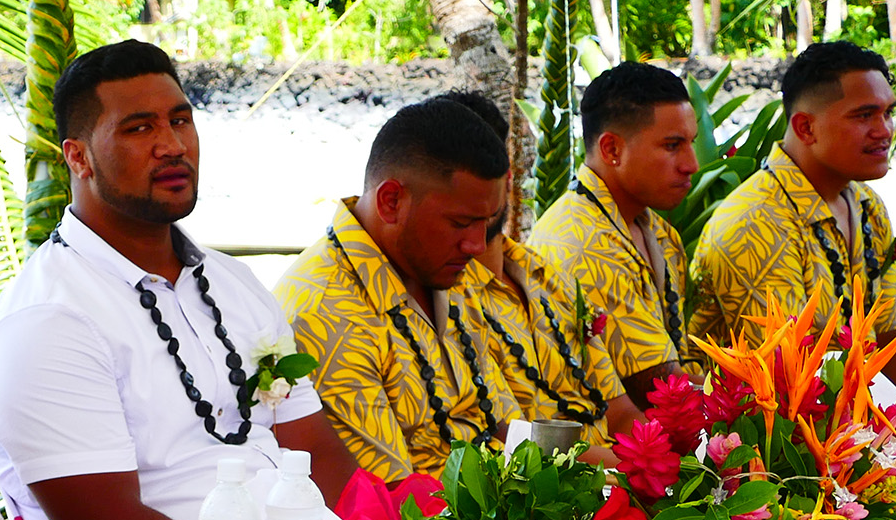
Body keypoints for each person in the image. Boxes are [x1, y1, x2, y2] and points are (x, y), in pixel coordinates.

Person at [0, 40, 354, 520]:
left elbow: (322, 464)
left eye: (181, 120)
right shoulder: (48, 318)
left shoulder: (234, 283)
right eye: (139, 128)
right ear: (78, 156)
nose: (173, 146)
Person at [283, 96, 526, 484]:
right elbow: (391, 504)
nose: (477, 245)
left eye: (486, 222)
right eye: (460, 223)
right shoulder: (326, 311)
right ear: (391, 201)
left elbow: (506, 428)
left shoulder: (443, 268)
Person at [691, 41, 896, 392]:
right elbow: (784, 380)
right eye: (864, 115)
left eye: (887, 113)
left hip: (842, 422)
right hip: (768, 433)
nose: (884, 130)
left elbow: (890, 332)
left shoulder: (867, 204)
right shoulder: (754, 223)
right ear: (805, 128)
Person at [441, 90, 637, 443]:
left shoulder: (549, 276)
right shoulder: (448, 301)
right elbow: (517, 445)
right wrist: (635, 471)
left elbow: (620, 412)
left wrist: (663, 463)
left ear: (508, 177)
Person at [526, 62, 701, 407]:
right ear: (612, 150)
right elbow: (659, 388)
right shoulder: (582, 241)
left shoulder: (658, 232)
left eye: (691, 143)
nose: (691, 163)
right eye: (672, 145)